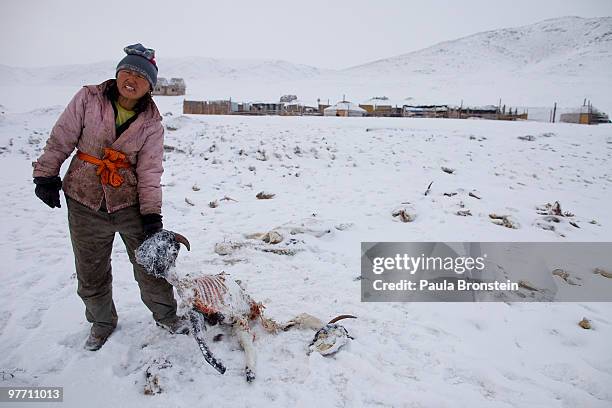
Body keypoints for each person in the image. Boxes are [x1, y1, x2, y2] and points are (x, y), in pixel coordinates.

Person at [32, 43, 188, 351]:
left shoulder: (152, 123)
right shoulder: (89, 98)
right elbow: (62, 135)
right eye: (127, 71)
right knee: (91, 271)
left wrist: (152, 215)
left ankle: (167, 316)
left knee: (150, 266)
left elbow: (150, 171)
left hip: (129, 204)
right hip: (83, 198)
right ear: (117, 73)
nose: (132, 79)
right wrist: (46, 174)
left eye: (141, 76)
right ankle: (101, 322)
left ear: (150, 86)